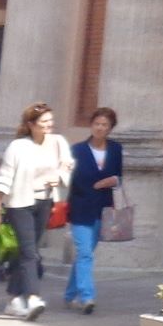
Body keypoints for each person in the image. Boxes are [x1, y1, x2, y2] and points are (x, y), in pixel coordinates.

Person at [0, 102, 71, 320]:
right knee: (29, 252)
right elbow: (3, 178)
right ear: (31, 124)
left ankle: (13, 299)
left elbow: (67, 165)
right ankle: (33, 297)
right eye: (43, 122)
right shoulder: (18, 147)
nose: (48, 126)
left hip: (44, 201)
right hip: (19, 204)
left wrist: (59, 177)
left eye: (50, 121)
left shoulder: (58, 142)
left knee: (28, 251)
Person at [63, 106, 123, 314]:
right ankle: (87, 297)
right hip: (80, 208)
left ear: (110, 128)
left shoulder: (116, 149)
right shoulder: (78, 150)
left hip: (103, 210)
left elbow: (119, 177)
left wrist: (112, 180)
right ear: (91, 125)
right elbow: (70, 178)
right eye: (97, 124)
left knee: (84, 255)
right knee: (86, 254)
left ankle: (70, 294)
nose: (100, 128)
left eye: (104, 125)